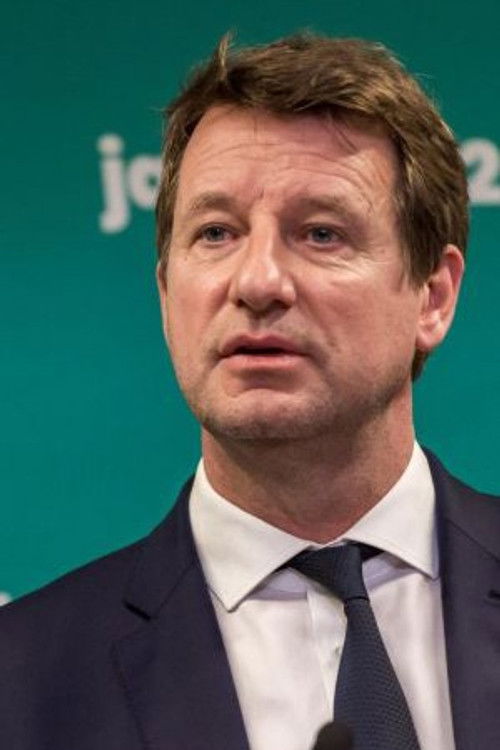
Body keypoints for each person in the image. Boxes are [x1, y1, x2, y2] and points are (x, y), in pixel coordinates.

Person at [1, 32, 499, 750]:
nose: (258, 281)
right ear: (166, 292)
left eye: (321, 233)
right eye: (216, 233)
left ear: (433, 296)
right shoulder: (21, 679)